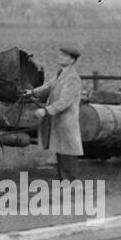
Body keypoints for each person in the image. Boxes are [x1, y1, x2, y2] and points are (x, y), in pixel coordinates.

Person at [31, 45, 84, 181]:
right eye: (60, 55)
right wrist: (32, 92)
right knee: (61, 155)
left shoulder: (72, 78)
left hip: (66, 123)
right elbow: (49, 85)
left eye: (65, 56)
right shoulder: (61, 73)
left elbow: (64, 102)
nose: (61, 57)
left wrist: (45, 110)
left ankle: (73, 187)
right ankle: (66, 186)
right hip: (59, 123)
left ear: (72, 61)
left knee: (68, 156)